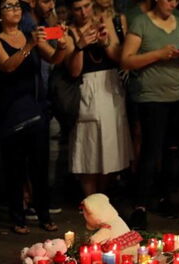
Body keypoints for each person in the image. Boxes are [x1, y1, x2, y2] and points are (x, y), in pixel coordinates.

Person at [0, 1, 62, 234]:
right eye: (8, 6)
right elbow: (8, 66)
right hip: (11, 112)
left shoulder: (30, 35)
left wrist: (65, 46)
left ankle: (44, 215)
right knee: (15, 168)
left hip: (35, 108)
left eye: (17, 6)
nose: (15, 10)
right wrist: (29, 45)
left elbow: (54, 59)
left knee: (40, 166)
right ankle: (18, 217)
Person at [120, 0, 179, 228]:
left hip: (178, 95)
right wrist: (158, 54)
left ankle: (165, 197)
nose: (173, 3)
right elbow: (127, 60)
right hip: (152, 97)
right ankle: (140, 205)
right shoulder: (141, 23)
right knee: (151, 151)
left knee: (173, 151)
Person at [64, 0, 131, 197]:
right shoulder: (70, 31)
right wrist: (80, 46)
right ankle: (90, 199)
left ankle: (103, 198)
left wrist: (106, 42)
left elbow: (120, 57)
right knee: (89, 146)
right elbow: (74, 71)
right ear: (71, 10)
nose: (83, 12)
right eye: (78, 8)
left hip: (110, 86)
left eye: (86, 6)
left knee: (111, 146)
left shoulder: (106, 21)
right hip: (87, 88)